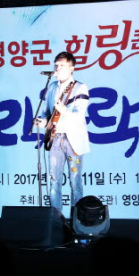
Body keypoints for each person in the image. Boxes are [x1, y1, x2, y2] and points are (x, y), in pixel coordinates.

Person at [34, 51, 90, 214]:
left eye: (62, 66)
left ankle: (77, 218)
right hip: (55, 138)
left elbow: (79, 114)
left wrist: (64, 110)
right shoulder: (52, 87)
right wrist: (42, 122)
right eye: (56, 65)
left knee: (75, 180)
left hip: (73, 139)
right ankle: (55, 217)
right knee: (54, 180)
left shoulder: (80, 87)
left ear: (72, 68)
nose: (57, 69)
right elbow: (47, 113)